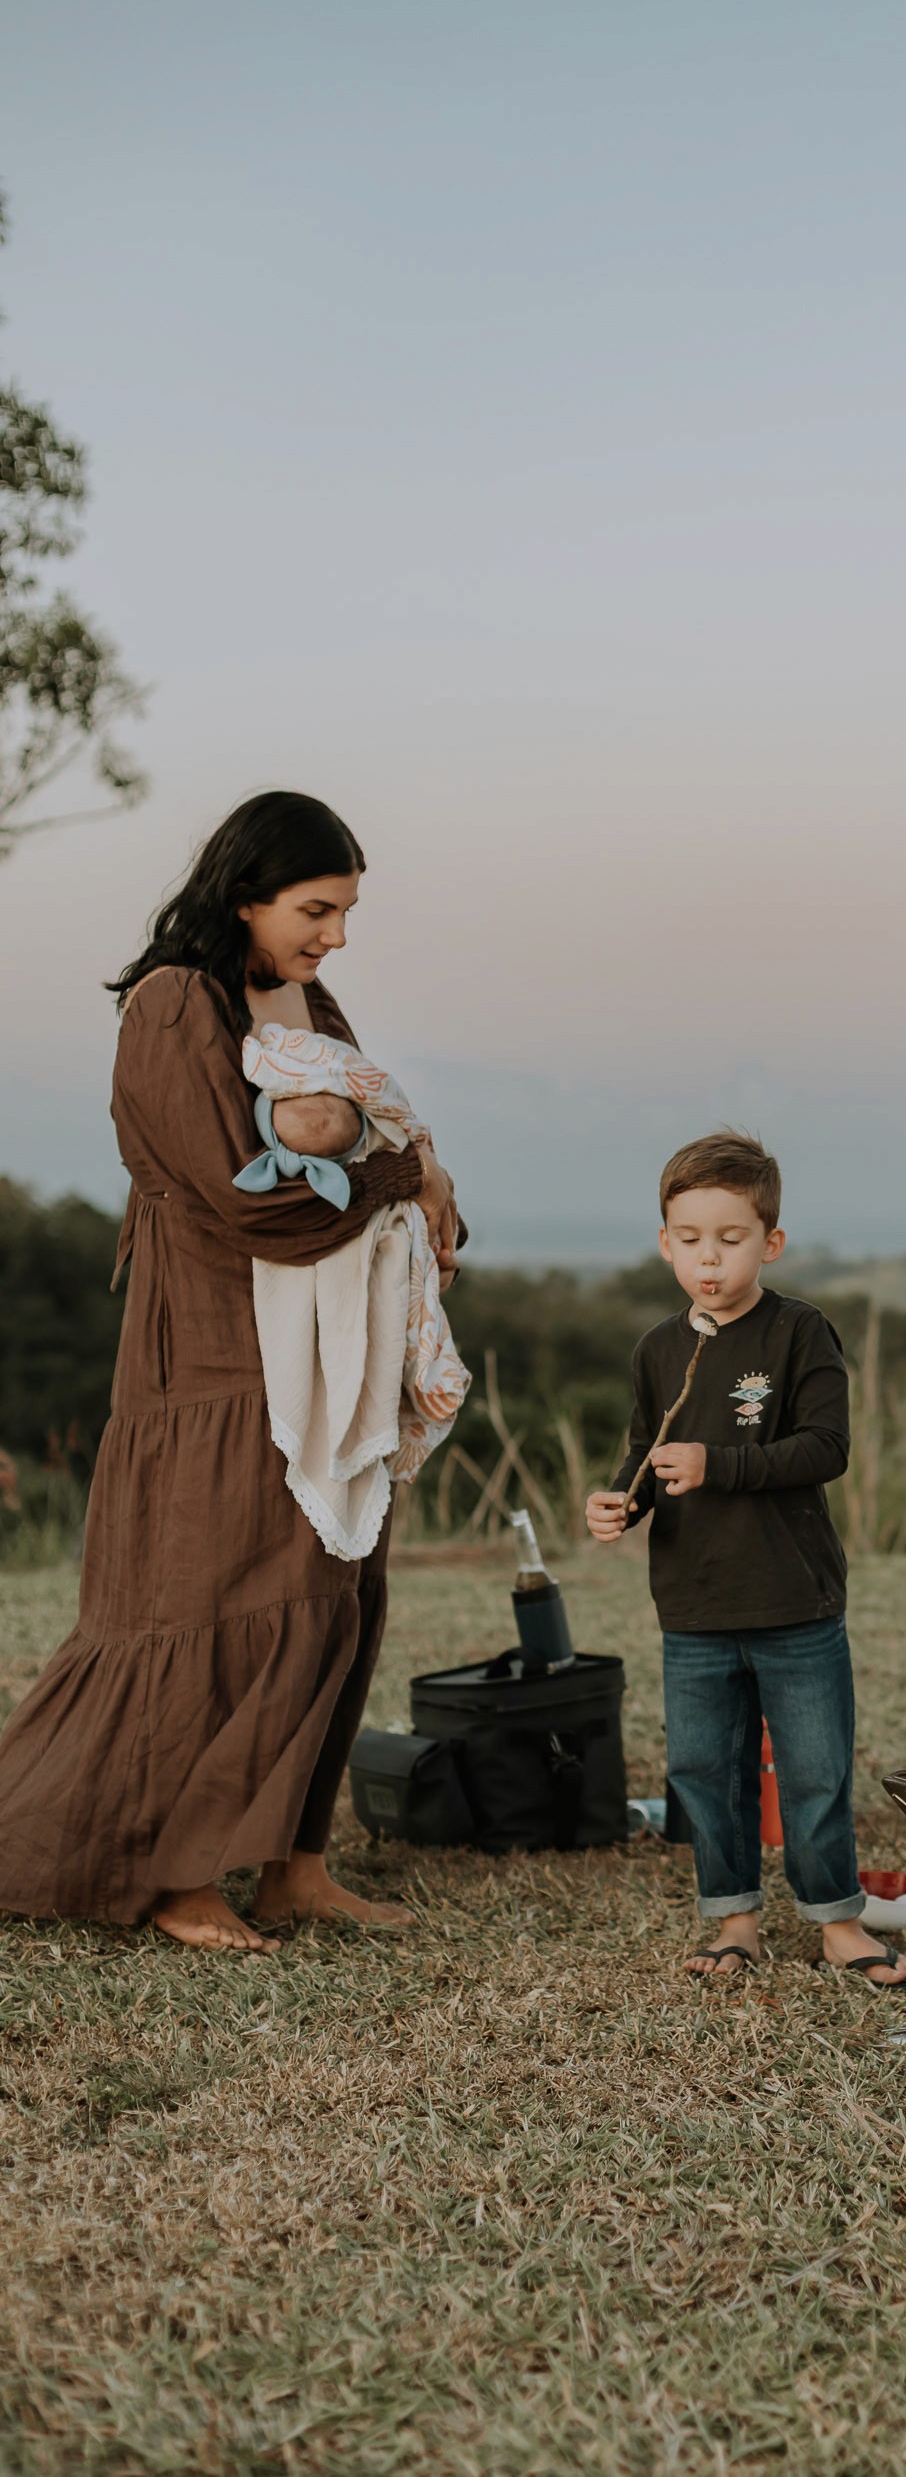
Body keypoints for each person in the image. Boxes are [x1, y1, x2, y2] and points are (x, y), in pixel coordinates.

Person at [0, 792, 461, 1954]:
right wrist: (407, 1179)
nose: (335, 936)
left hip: (325, 1341)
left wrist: (417, 1169)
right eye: (317, 909)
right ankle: (177, 1873)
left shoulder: (306, 998)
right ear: (245, 890)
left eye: (346, 912)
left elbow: (371, 1122)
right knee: (212, 1593)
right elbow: (235, 1189)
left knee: (333, 1587)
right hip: (211, 1338)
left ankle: (294, 1862)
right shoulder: (170, 1004)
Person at [584, 1131, 906, 1991]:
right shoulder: (658, 1348)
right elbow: (648, 1448)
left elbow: (825, 1449)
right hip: (693, 1608)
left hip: (793, 1604)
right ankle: (735, 1919)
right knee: (704, 1770)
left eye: (730, 1240)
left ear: (769, 1243)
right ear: (665, 1242)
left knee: (813, 1772)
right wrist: (621, 1500)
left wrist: (717, 1465)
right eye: (689, 1240)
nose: (709, 1259)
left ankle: (837, 1923)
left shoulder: (798, 1332)